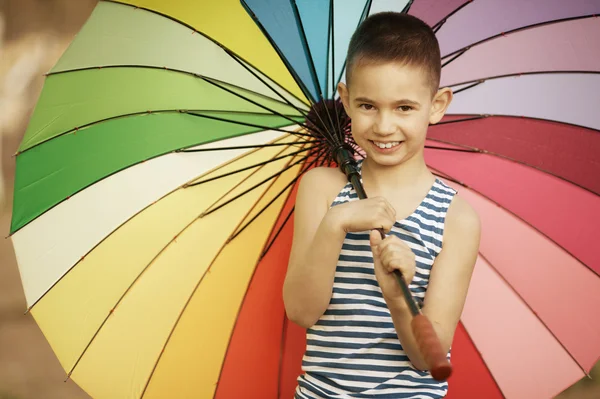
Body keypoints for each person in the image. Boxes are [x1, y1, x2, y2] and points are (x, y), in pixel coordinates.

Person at [283, 11, 481, 399]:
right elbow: (301, 312)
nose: (384, 126)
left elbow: (430, 358)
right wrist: (335, 223)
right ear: (345, 101)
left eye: (404, 107)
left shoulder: (457, 218)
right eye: (368, 105)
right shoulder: (322, 188)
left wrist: (397, 297)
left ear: (437, 105)